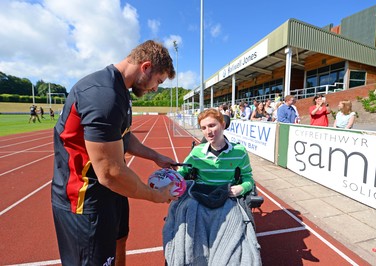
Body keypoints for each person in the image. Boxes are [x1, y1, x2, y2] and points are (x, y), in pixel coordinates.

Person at [51, 40, 177, 266]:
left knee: (120, 240)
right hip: (85, 197)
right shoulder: (104, 95)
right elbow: (110, 173)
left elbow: (124, 136)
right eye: (158, 81)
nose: (156, 88)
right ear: (145, 67)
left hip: (109, 192)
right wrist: (154, 196)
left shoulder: (120, 90)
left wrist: (155, 156)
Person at [163, 109, 262, 265]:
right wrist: (169, 181)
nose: (208, 132)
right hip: (199, 194)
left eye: (212, 126)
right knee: (188, 214)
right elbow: (183, 173)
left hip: (227, 195)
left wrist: (241, 189)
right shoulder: (196, 153)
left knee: (234, 225)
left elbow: (248, 179)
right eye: (203, 128)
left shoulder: (239, 152)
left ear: (222, 125)